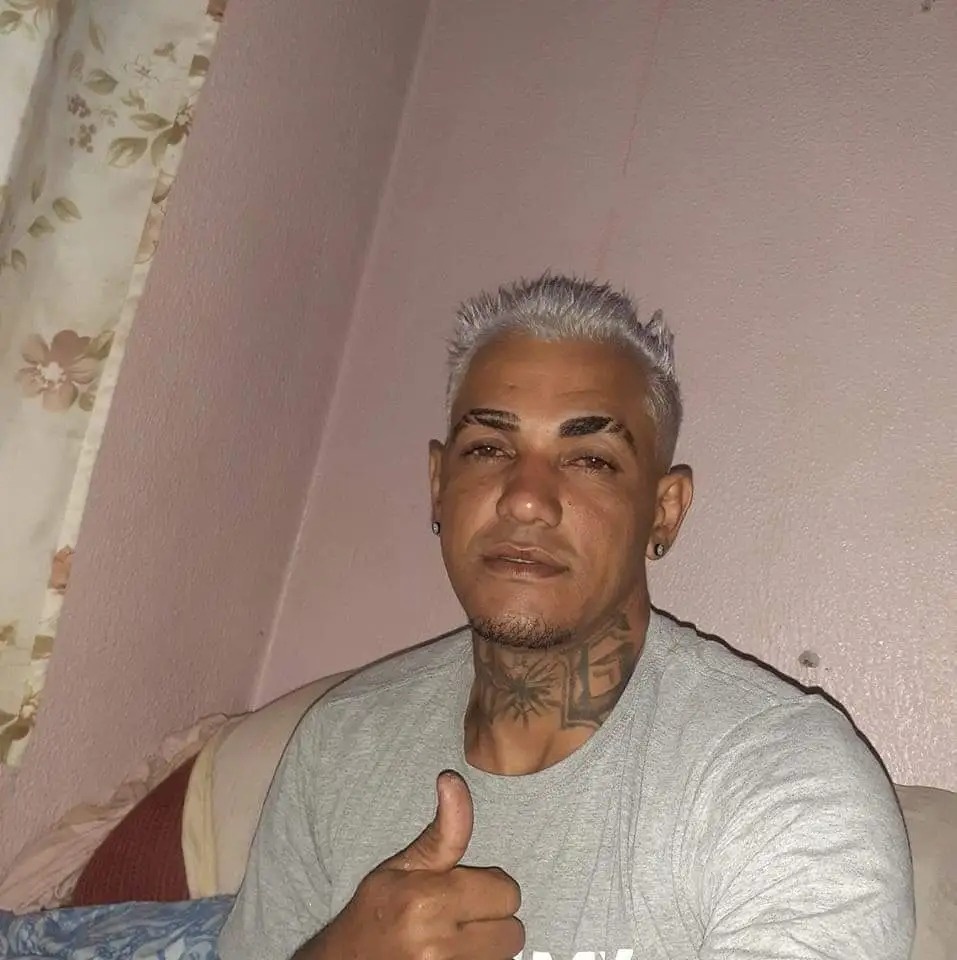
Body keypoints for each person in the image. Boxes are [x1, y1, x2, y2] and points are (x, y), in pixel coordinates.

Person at [218, 275, 914, 960]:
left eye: (589, 460)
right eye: (488, 448)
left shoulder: (783, 781)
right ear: (438, 485)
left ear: (663, 511)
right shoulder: (339, 746)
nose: (525, 499)